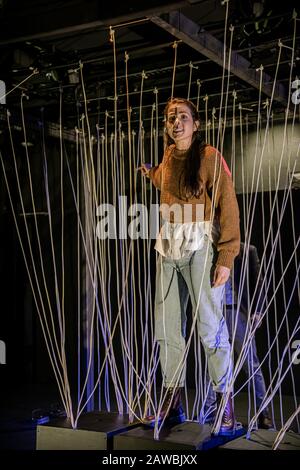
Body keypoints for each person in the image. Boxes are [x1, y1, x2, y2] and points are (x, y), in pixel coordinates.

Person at [139, 97, 240, 436]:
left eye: (183, 117)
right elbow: (167, 182)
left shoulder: (210, 156)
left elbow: (227, 204)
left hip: (200, 246)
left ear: (196, 124)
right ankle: (173, 403)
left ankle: (225, 406)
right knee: (167, 327)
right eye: (171, 118)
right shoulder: (168, 157)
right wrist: (150, 174)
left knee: (209, 327)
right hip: (168, 245)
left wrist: (226, 256)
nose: (176, 122)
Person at [203, 242, 273, 429]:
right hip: (215, 312)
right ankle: (209, 411)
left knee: (251, 363)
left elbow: (259, 282)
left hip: (237, 312)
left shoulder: (247, 250)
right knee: (215, 362)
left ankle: (263, 413)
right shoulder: (208, 249)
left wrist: (258, 310)